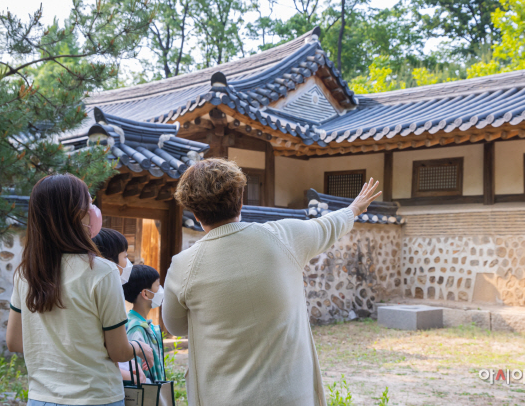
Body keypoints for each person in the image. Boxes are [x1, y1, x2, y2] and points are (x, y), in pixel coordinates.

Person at [162, 159, 381, 406]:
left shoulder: (184, 265)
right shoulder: (284, 236)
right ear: (241, 199)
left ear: (195, 212)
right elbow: (327, 226)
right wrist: (353, 209)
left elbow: (175, 326)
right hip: (290, 396)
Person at [6, 174, 153, 406]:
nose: (93, 209)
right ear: (75, 213)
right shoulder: (102, 271)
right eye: (89, 202)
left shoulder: (26, 273)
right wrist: (139, 347)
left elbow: (14, 341)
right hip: (96, 397)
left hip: (41, 398)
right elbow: (118, 351)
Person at [92, 228, 150, 383]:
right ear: (109, 262)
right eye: (125, 256)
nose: (129, 263)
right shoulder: (108, 290)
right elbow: (117, 351)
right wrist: (139, 348)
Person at [122, 265, 166, 382]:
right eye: (157, 285)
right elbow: (135, 370)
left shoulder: (138, 323)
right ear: (146, 294)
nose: (161, 289)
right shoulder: (136, 329)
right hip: (145, 394)